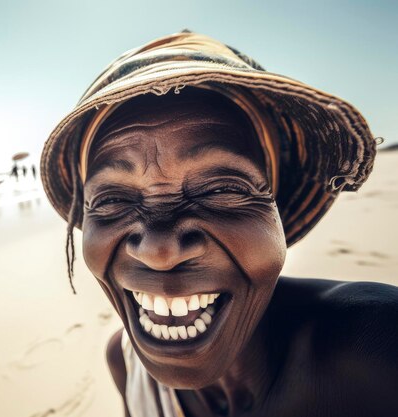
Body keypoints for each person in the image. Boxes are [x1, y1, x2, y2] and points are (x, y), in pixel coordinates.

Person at [40, 30, 397, 416]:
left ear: (277, 209)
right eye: (112, 200)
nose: (160, 251)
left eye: (221, 190)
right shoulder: (124, 364)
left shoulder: (375, 352)